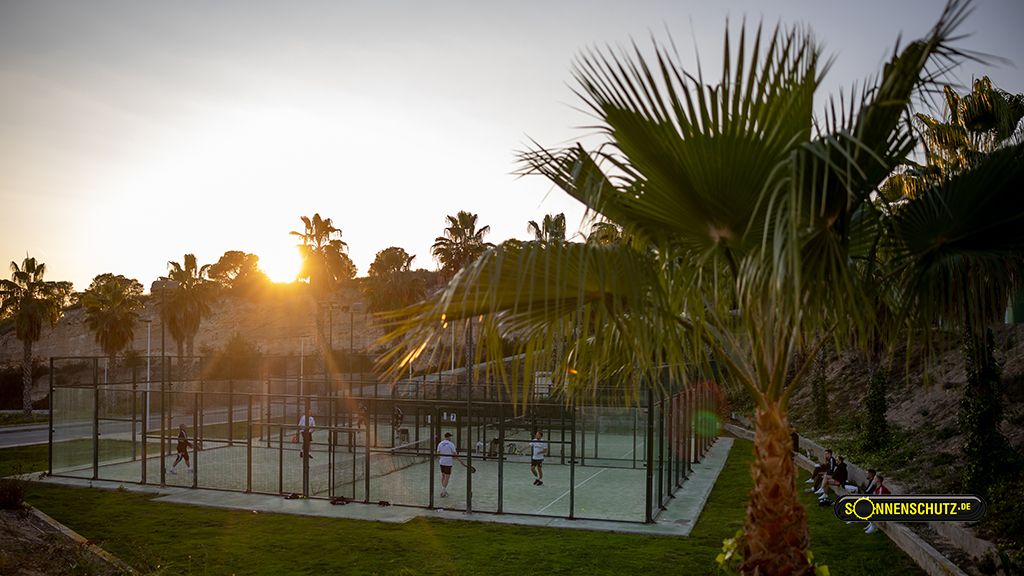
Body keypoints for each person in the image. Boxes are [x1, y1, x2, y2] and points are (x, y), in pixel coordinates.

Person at [436, 432, 465, 498]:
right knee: (447, 477)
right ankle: (443, 491)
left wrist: (442, 458)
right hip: (448, 463)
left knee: (443, 476)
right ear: (448, 437)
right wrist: (460, 461)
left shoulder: (440, 443)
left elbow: (438, 453)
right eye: (450, 437)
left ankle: (444, 489)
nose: (451, 438)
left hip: (441, 462)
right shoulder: (451, 444)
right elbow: (455, 454)